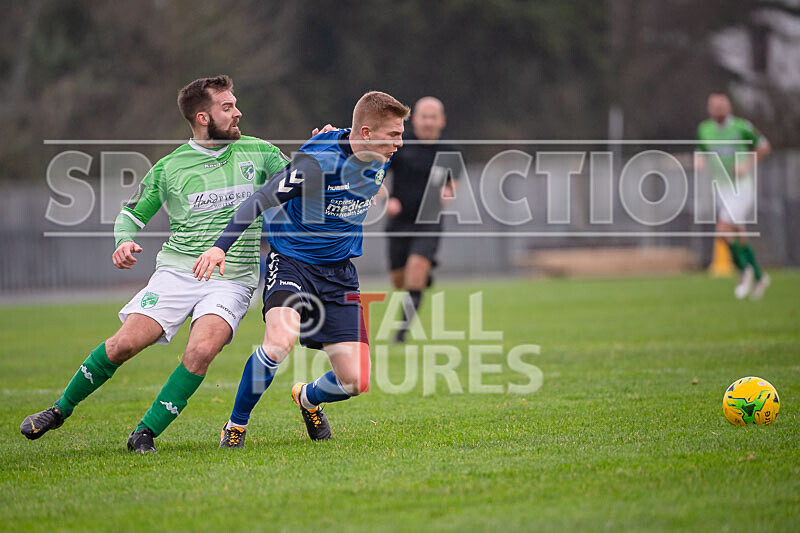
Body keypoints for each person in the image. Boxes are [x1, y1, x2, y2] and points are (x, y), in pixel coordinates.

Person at [19, 75, 325, 453]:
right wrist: (123, 240)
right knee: (123, 345)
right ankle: (58, 410)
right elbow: (131, 214)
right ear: (202, 117)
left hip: (232, 278)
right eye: (227, 107)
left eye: (235, 104)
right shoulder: (169, 167)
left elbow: (299, 180)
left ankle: (145, 433)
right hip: (177, 272)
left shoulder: (260, 152)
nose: (237, 112)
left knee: (202, 349)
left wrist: (320, 148)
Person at [193, 91, 409, 446]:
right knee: (279, 342)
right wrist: (220, 247)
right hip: (293, 262)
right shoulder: (316, 165)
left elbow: (342, 135)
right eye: (394, 135)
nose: (400, 143)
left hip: (339, 274)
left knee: (356, 382)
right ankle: (236, 425)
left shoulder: (372, 148)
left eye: (401, 134)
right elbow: (261, 199)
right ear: (367, 133)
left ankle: (307, 398)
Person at [384, 97, 462, 342]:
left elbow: (453, 183)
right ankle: (424, 276)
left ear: (442, 121)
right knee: (399, 281)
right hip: (399, 220)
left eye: (433, 117)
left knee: (415, 274)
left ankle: (401, 333)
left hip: (428, 220)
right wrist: (388, 199)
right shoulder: (400, 145)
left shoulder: (450, 151)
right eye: (423, 116)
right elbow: (379, 175)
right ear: (413, 119)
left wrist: (447, 192)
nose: (428, 122)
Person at [696, 93, 772, 300]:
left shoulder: (741, 127)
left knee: (722, 230)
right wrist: (700, 159)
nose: (718, 110)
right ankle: (759, 275)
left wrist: (747, 165)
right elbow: (701, 149)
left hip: (741, 188)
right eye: (715, 106)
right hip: (721, 188)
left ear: (728, 107)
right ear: (709, 109)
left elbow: (764, 146)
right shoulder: (705, 129)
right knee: (738, 232)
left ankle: (743, 269)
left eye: (722, 106)